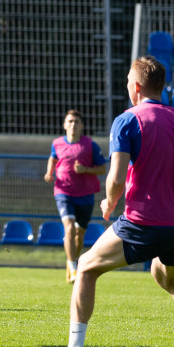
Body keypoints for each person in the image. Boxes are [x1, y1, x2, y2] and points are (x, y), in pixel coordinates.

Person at [53, 56, 174, 347]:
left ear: (135, 87)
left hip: (146, 221)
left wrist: (110, 202)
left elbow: (115, 176)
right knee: (166, 277)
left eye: (127, 81)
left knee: (85, 267)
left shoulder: (127, 119)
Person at [44, 109, 107, 283]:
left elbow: (102, 168)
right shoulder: (56, 143)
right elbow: (53, 158)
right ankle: (73, 267)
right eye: (70, 121)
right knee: (69, 227)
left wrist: (85, 169)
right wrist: (49, 172)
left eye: (76, 122)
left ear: (82, 126)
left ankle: (71, 262)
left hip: (85, 195)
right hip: (63, 191)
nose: (73, 125)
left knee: (79, 234)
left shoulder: (90, 145)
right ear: (64, 125)